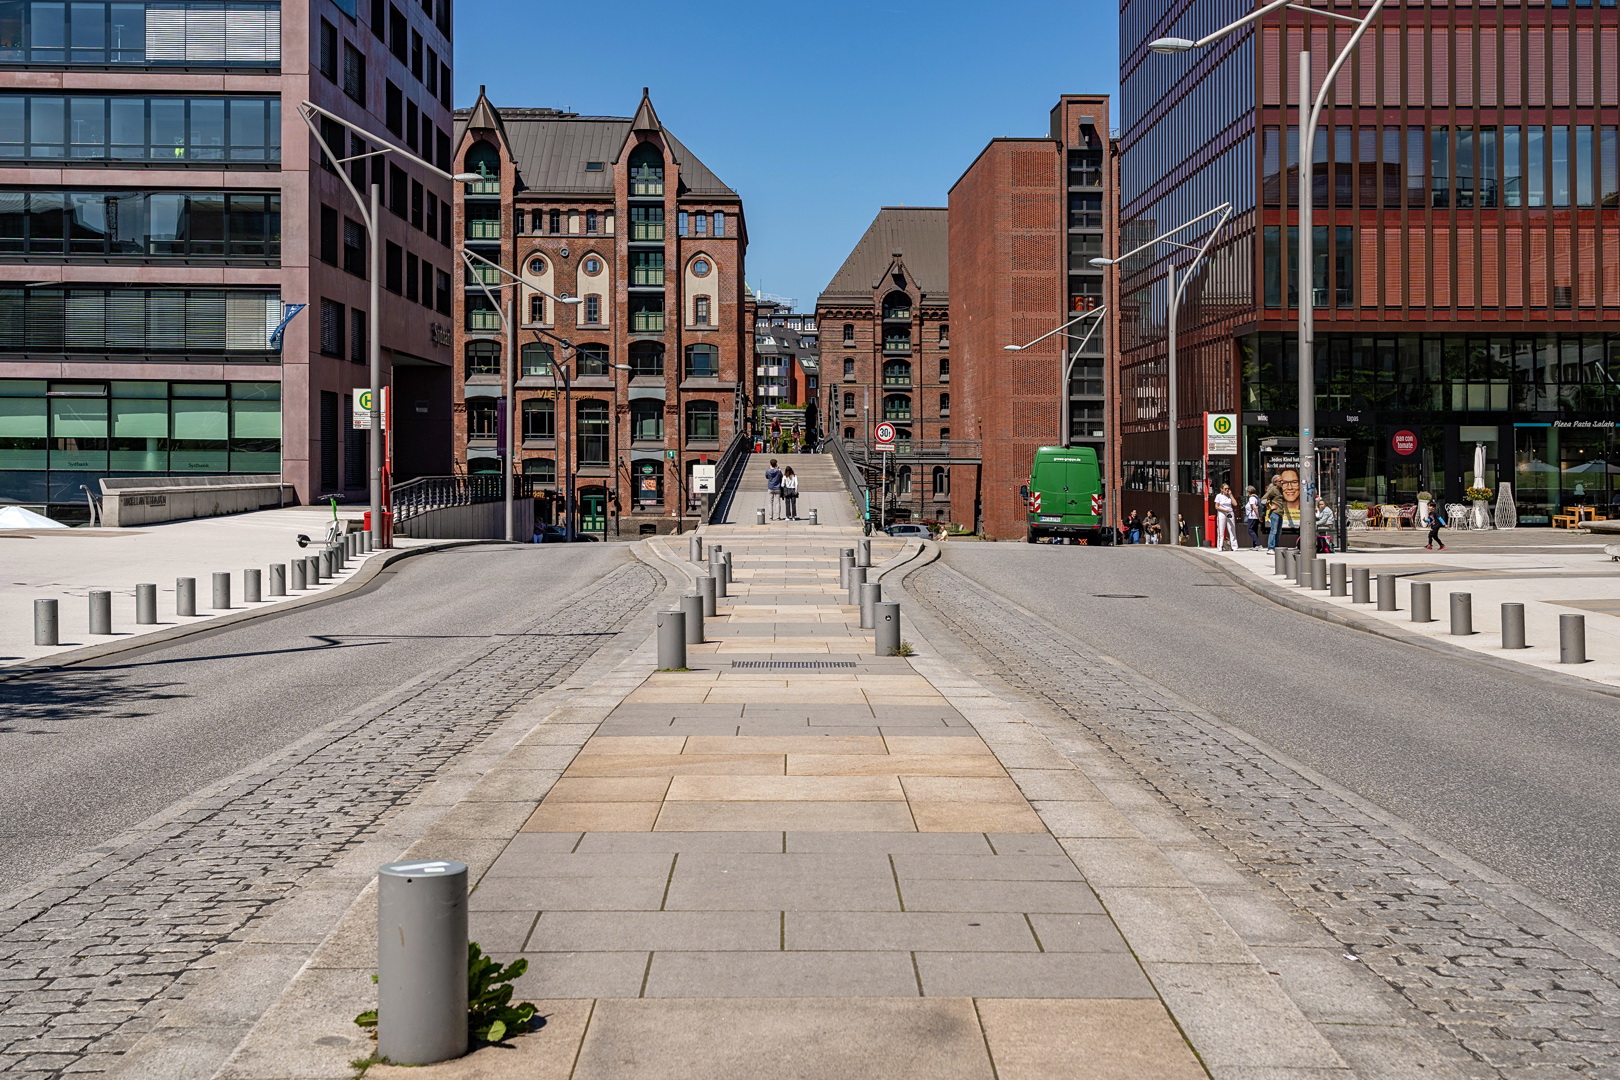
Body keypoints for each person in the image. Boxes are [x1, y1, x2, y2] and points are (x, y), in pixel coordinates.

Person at [1214, 482, 1239, 551]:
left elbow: (1235, 504)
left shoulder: (1229, 496)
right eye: (1225, 489)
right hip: (1222, 512)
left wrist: (1231, 495)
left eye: (1228, 488)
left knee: (1232, 529)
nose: (1227, 490)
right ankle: (1220, 545)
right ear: (1221, 489)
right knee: (1221, 529)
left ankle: (1234, 546)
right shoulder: (1218, 496)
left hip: (1230, 512)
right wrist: (1224, 510)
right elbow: (1216, 506)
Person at [1263, 475, 1286, 551]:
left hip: (1280, 513)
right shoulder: (1272, 490)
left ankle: (1276, 546)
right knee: (1274, 530)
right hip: (1275, 513)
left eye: (1282, 480)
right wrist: (1270, 507)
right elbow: (1263, 499)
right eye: (1280, 481)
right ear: (1275, 482)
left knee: (1278, 531)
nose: (1282, 482)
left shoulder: (1280, 490)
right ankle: (1271, 547)